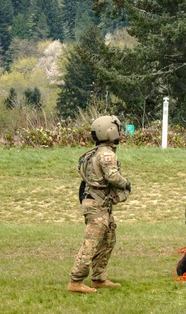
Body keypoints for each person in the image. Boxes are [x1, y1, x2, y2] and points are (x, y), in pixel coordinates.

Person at [68, 115, 132, 294]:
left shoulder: (96, 152)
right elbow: (113, 177)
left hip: (99, 204)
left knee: (108, 239)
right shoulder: (106, 154)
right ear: (110, 131)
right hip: (97, 205)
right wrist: (126, 183)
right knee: (91, 243)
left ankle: (99, 278)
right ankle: (76, 281)